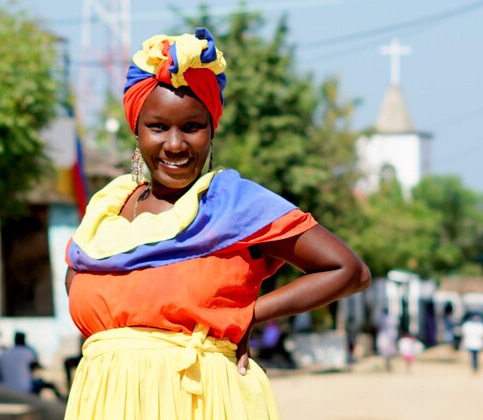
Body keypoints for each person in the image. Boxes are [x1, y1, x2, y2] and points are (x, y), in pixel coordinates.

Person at [63, 28, 371, 419]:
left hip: (200, 402)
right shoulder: (108, 208)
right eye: (158, 127)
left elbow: (349, 271)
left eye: (192, 127)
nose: (175, 144)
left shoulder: (233, 203)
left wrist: (249, 315)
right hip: (104, 402)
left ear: (211, 131)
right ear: (136, 131)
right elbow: (79, 280)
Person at [0, 332, 64, 399]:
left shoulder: (6, 353)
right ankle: (62, 401)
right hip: (25, 388)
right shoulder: (27, 352)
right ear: (24, 340)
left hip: (8, 388)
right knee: (49, 385)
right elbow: (36, 367)